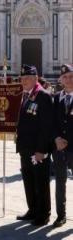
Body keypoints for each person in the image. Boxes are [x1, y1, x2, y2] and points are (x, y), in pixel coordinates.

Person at [16, 64, 53, 226]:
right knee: (29, 181)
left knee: (41, 182)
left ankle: (43, 214)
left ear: (35, 79)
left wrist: (41, 150)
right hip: (25, 148)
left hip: (38, 150)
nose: (24, 81)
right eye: (22, 78)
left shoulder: (43, 96)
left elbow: (46, 127)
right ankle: (32, 209)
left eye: (28, 78)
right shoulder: (25, 95)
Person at [52, 64, 73, 228]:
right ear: (60, 80)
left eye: (71, 76)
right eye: (65, 77)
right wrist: (57, 138)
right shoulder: (56, 97)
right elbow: (51, 122)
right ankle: (61, 215)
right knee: (60, 182)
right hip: (59, 148)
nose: (68, 80)